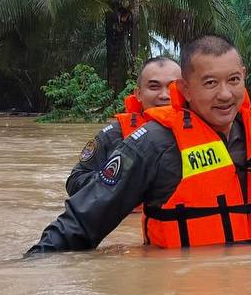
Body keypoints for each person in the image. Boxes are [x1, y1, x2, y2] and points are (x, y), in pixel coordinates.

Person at [27, 35, 251, 254]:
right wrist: (34, 268)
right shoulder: (151, 144)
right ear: (184, 90)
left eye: (233, 80)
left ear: (244, 78)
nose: (225, 95)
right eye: (209, 83)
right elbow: (81, 222)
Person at [65, 56, 181, 195]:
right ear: (138, 94)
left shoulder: (206, 131)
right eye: (154, 86)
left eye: (172, 87)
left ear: (185, 91)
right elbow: (74, 182)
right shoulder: (113, 135)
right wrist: (118, 180)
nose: (164, 95)